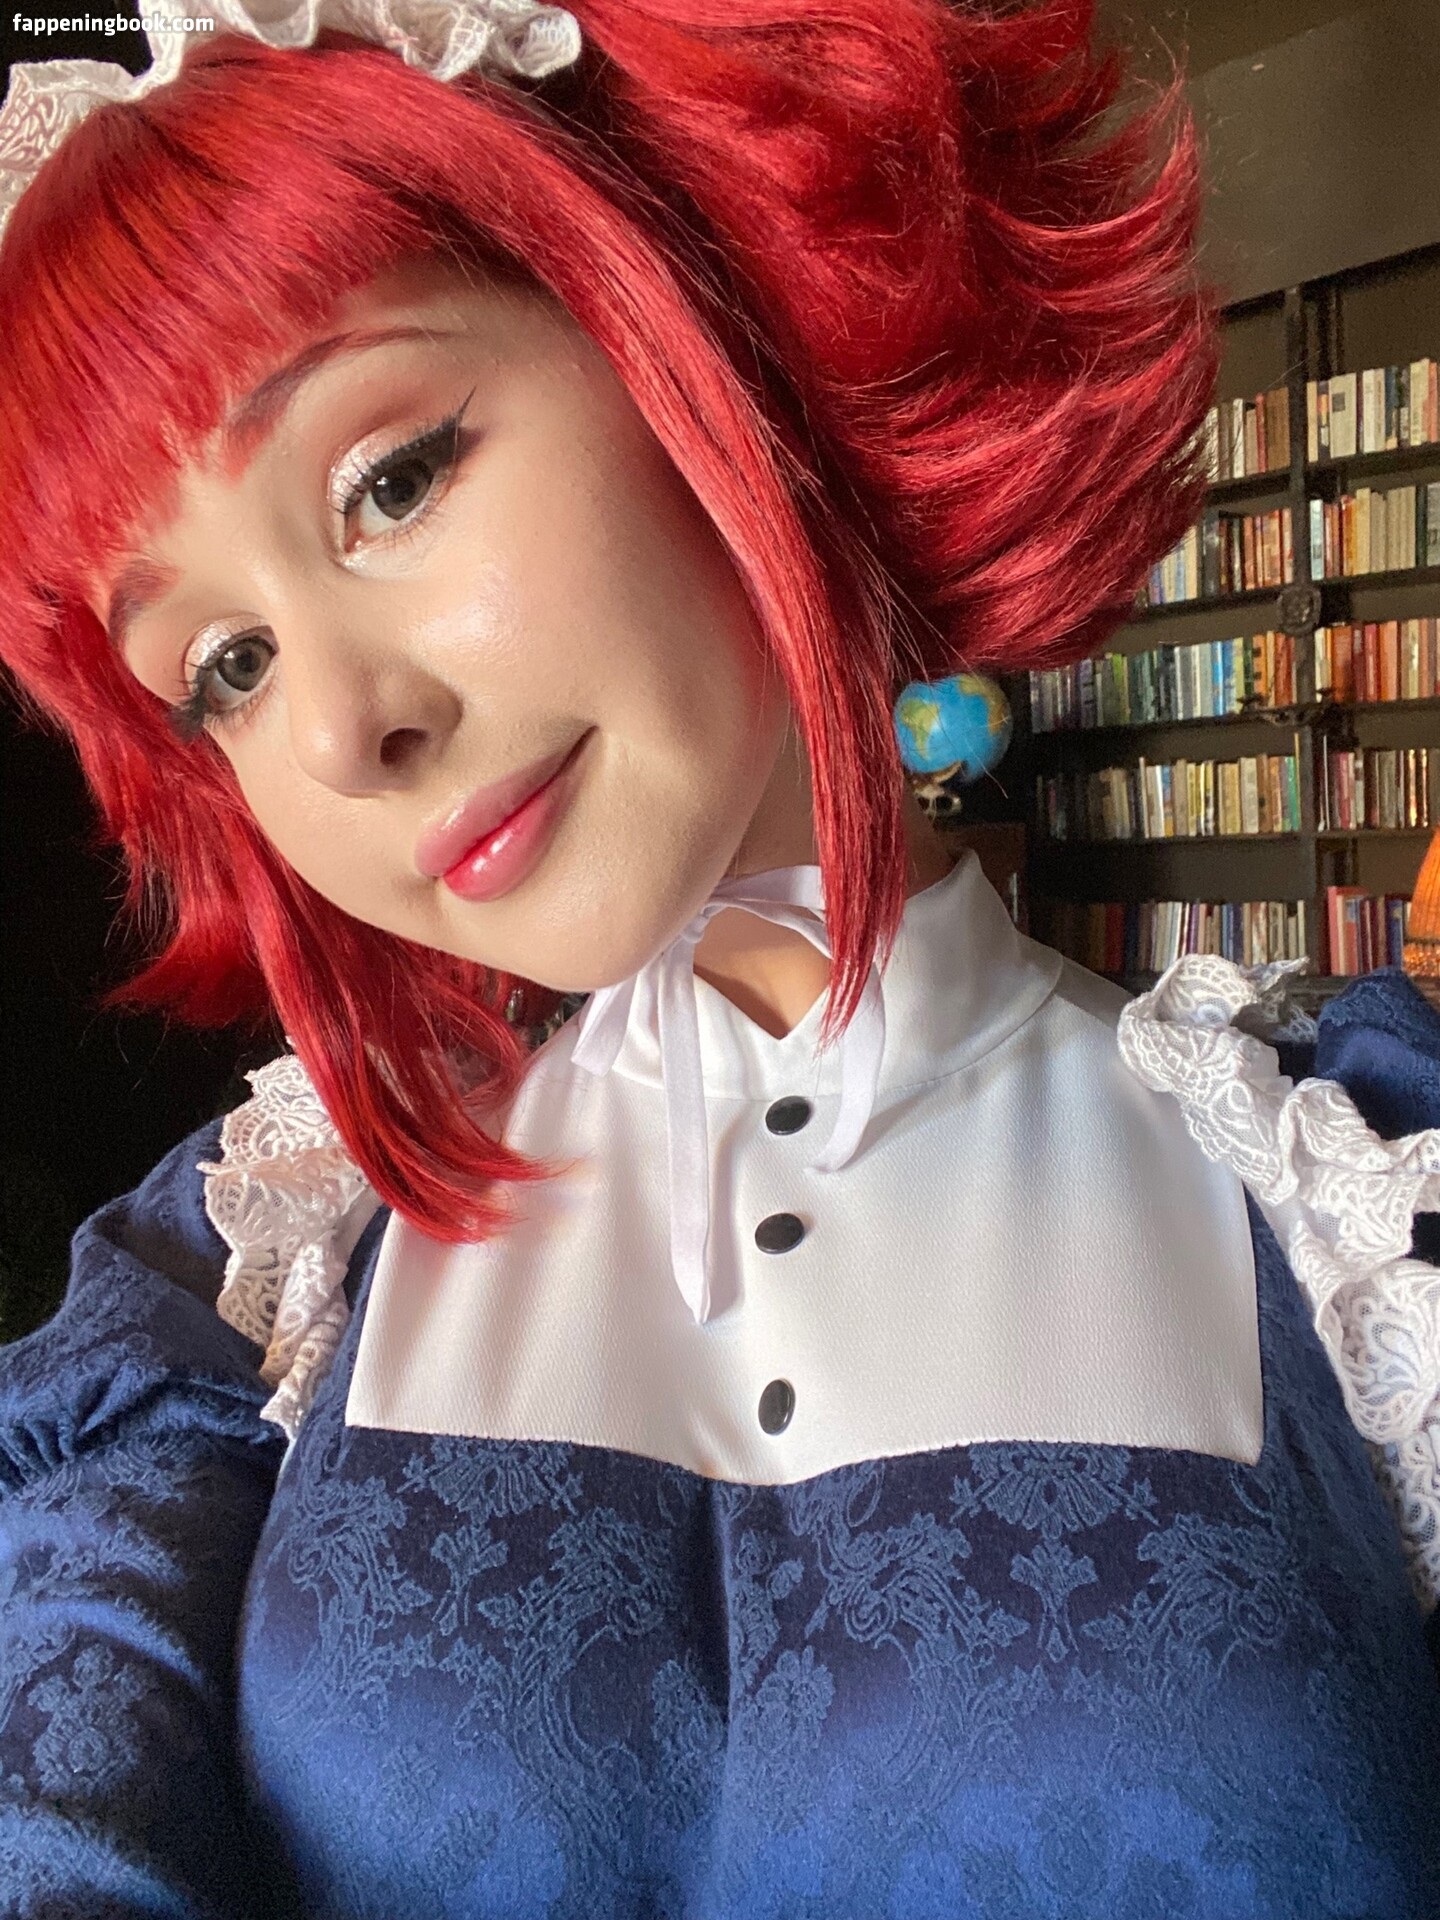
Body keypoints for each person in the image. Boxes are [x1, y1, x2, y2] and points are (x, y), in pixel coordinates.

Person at [1, 2, 1438, 1914]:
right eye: (226, 667)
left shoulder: (1359, 1205)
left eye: (392, 480)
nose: (340, 731)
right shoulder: (245, 1281)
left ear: (699, 330)